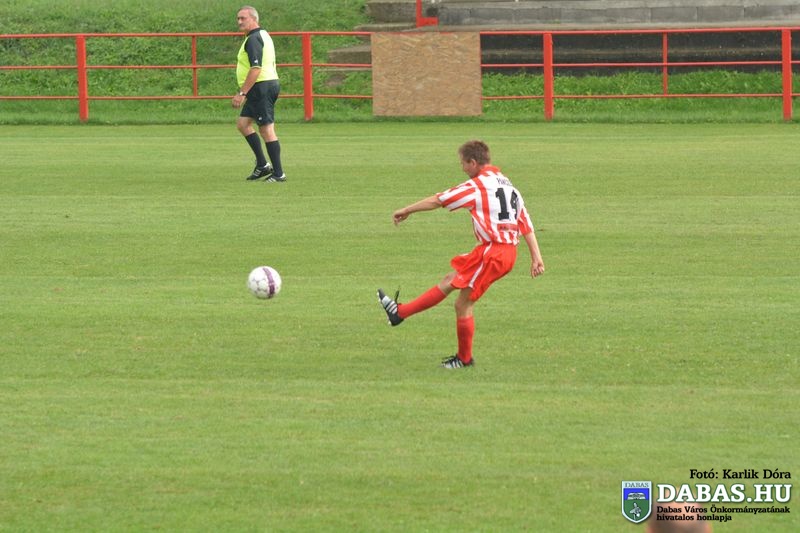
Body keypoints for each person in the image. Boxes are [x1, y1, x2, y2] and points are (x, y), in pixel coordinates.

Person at [377, 140, 545, 369]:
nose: (462, 168)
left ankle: (463, 358)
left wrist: (407, 210)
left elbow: (439, 200)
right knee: (450, 281)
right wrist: (536, 256)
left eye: (463, 164)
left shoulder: (477, 186)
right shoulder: (509, 185)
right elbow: (524, 222)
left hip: (494, 253)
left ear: (473, 162)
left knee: (463, 304)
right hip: (499, 252)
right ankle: (400, 313)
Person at [232, 5, 286, 183]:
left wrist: (242, 93)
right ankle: (262, 165)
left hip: (261, 87)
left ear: (254, 19)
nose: (239, 22)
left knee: (266, 129)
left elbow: (256, 68)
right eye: (238, 18)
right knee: (243, 124)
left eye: (243, 18)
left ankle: (279, 174)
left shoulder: (253, 39)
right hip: (262, 87)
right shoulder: (262, 34)